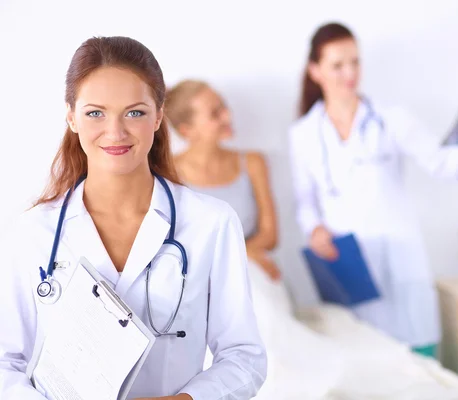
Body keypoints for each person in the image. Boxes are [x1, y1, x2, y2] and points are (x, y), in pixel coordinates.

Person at [0, 36, 266, 399]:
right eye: (95, 112)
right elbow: (6, 364)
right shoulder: (33, 232)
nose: (116, 131)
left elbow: (244, 357)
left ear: (159, 116)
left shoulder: (211, 224)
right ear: (71, 117)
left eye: (135, 112)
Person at [287, 22, 458, 358]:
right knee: (362, 364)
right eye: (337, 65)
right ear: (315, 71)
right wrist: (315, 229)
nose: (350, 73)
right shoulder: (303, 133)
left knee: (417, 359)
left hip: (401, 254)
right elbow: (305, 201)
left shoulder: (391, 119)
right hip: (349, 264)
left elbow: (444, 165)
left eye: (355, 62)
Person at [164, 80, 281, 281]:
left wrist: (238, 258)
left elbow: (270, 236)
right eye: (215, 113)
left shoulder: (252, 162)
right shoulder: (168, 174)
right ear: (186, 130)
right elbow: (175, 247)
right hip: (201, 279)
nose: (228, 116)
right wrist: (242, 254)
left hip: (250, 274)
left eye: (224, 107)